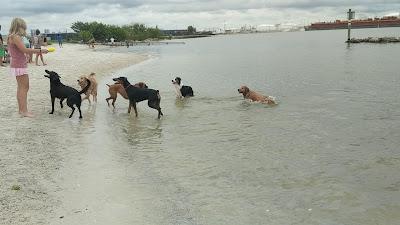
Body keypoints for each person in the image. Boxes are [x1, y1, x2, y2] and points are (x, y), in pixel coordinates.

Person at [7, 18, 48, 117]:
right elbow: (24, 49)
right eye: (23, 27)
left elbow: (20, 51)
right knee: (24, 87)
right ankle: (23, 111)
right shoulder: (15, 37)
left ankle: (22, 110)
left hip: (18, 64)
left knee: (22, 87)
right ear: (20, 26)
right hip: (19, 65)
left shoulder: (11, 36)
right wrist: (40, 51)